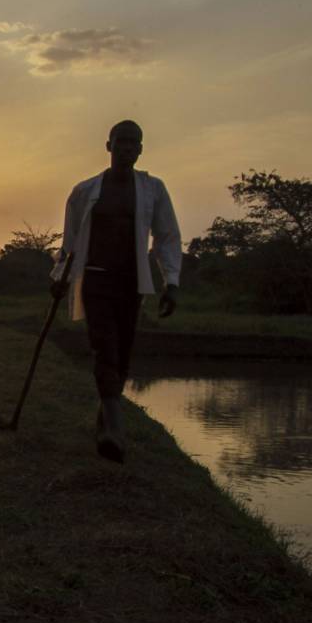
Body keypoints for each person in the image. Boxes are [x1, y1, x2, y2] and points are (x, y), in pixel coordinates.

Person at [50, 120, 181, 463]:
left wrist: (172, 282)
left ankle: (103, 421)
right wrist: (59, 274)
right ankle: (116, 430)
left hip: (131, 282)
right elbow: (70, 241)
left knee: (122, 355)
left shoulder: (153, 190)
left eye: (133, 143)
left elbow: (167, 237)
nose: (126, 148)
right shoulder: (85, 192)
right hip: (95, 280)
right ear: (108, 146)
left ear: (140, 149)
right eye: (120, 142)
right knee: (104, 347)